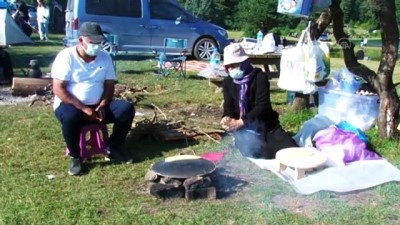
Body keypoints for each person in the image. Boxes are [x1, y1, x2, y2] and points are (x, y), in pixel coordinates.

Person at [51, 22, 135, 176]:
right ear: (81, 41)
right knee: (70, 117)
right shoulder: (66, 57)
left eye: (98, 42)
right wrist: (84, 108)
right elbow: (58, 88)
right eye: (92, 42)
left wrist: (103, 104)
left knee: (126, 108)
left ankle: (113, 148)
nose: (96, 46)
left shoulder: (105, 57)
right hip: (72, 105)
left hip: (98, 106)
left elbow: (109, 85)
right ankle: (75, 156)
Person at [220, 43, 298, 159]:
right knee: (254, 152)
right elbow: (229, 107)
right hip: (244, 130)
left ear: (243, 63)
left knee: (291, 150)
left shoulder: (259, 77)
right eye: (228, 67)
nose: (230, 69)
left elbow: (263, 106)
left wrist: (242, 121)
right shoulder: (228, 82)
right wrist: (227, 117)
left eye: (233, 65)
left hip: (267, 126)